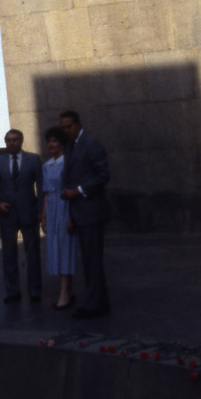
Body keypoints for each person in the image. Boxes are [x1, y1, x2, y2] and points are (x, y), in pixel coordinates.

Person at [59, 110, 110, 318]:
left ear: (79, 124)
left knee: (93, 260)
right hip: (78, 213)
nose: (66, 130)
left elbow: (103, 175)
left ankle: (95, 305)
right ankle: (96, 301)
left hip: (91, 211)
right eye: (63, 127)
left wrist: (78, 191)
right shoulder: (70, 146)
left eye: (69, 126)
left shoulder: (92, 144)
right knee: (89, 260)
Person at [0, 128, 43, 302]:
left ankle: (34, 290)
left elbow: (41, 188)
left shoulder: (34, 159)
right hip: (7, 213)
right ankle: (12, 292)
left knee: (33, 254)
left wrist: (41, 210)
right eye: (8, 140)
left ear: (21, 141)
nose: (11, 143)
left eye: (15, 140)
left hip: (29, 212)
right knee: (9, 254)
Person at [40, 125, 77, 310]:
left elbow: (70, 188)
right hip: (53, 208)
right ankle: (67, 291)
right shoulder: (46, 165)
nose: (51, 144)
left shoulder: (67, 162)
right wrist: (44, 217)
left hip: (65, 206)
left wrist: (71, 217)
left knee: (66, 248)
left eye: (55, 141)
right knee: (56, 249)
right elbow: (46, 192)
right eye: (49, 141)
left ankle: (65, 293)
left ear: (62, 143)